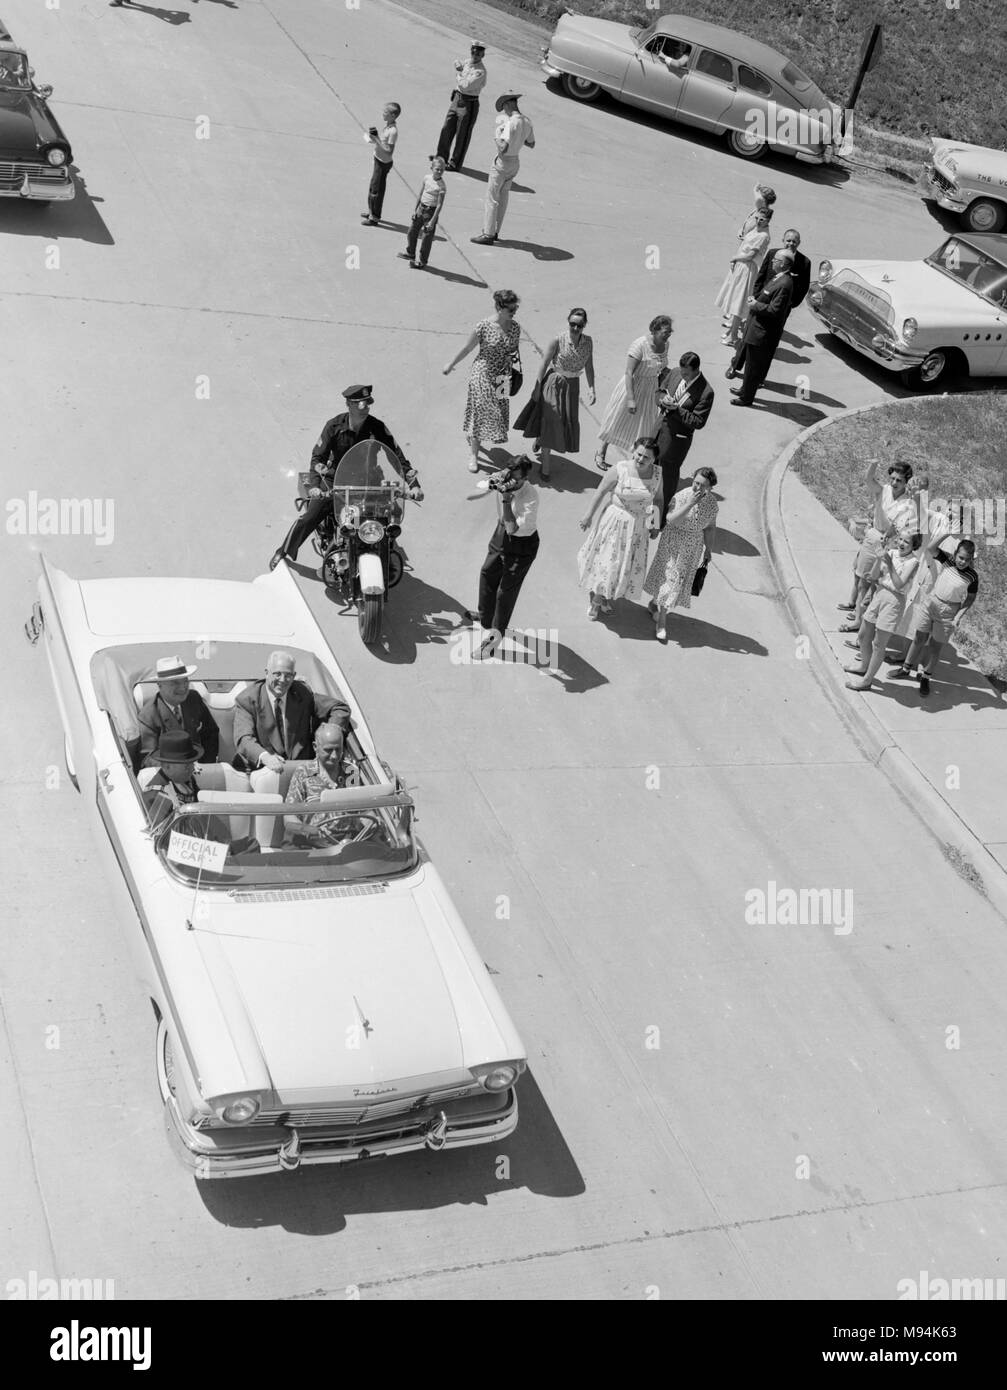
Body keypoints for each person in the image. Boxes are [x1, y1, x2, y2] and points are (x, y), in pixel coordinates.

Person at [269, 384, 420, 569]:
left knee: (386, 515)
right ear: (349, 404)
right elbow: (318, 457)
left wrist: (414, 485)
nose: (365, 407)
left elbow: (396, 455)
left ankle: (383, 554)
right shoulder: (334, 426)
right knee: (310, 516)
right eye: (360, 404)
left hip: (368, 480)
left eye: (367, 403)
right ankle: (283, 550)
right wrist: (316, 486)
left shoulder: (377, 427)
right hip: (336, 480)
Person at [577, 437, 662, 619]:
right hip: (616, 522)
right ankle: (597, 601)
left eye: (646, 457)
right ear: (633, 451)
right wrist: (588, 516)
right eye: (639, 454)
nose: (640, 459)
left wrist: (655, 523)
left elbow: (659, 499)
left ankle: (606, 595)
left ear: (654, 459)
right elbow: (600, 491)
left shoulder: (657, 474)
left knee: (624, 566)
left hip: (638, 527)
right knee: (609, 561)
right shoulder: (620, 468)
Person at [233, 651, 351, 774]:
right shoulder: (247, 699)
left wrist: (328, 735)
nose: (283, 680)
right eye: (277, 674)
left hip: (300, 771)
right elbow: (244, 739)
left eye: (288, 675)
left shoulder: (302, 692)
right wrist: (265, 757)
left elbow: (340, 709)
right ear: (267, 673)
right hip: (260, 771)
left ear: (294, 676)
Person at [142, 731, 258, 856]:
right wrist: (214, 852)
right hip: (188, 856)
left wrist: (220, 846)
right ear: (167, 766)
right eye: (186, 765)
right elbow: (162, 844)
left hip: (204, 844)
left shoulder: (187, 780)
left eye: (192, 763)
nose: (192, 768)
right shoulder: (156, 794)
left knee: (252, 845)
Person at [889, 537, 979, 696]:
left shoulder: (972, 576)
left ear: (972, 559)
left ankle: (925, 677)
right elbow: (931, 548)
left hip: (948, 611)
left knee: (935, 647)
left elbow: (970, 598)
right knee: (918, 638)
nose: (962, 561)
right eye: (960, 557)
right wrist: (945, 532)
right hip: (932, 602)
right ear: (955, 554)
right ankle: (905, 668)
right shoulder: (948, 561)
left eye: (967, 559)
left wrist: (958, 616)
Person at [443, 288, 521, 472]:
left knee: (498, 413)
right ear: (499, 308)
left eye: (515, 309)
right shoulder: (483, 326)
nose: (514, 312)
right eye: (511, 309)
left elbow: (513, 349)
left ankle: (474, 436)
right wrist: (451, 363)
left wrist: (509, 361)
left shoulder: (516, 327)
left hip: (502, 375)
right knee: (481, 411)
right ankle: (474, 455)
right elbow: (467, 348)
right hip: (483, 372)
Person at [470, 454, 539, 658]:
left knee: (504, 594)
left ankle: (492, 642)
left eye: (517, 479)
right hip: (501, 535)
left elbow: (512, 528)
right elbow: (473, 494)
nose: (512, 481)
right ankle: (486, 618)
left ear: (526, 478)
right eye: (511, 475)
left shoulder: (531, 497)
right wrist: (491, 483)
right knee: (487, 573)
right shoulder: (505, 478)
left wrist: (507, 500)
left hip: (521, 544)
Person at [516, 307, 595, 480]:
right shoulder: (558, 340)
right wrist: (536, 388)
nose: (575, 328)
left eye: (579, 325)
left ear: (584, 326)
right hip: (554, 383)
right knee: (552, 421)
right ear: (568, 322)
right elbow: (544, 363)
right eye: (572, 324)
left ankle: (539, 438)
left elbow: (589, 366)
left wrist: (592, 388)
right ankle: (545, 468)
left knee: (563, 422)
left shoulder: (588, 342)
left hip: (572, 386)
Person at [838, 460, 918, 632]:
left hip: (888, 544)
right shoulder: (884, 490)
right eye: (893, 478)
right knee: (861, 581)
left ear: (906, 482)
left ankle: (863, 623)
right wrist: (874, 464)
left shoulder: (908, 504)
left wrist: (887, 540)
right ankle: (858, 618)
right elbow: (868, 479)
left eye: (899, 480)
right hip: (873, 536)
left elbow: (899, 527)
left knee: (873, 585)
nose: (895, 483)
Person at [644, 467, 718, 642]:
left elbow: (710, 527)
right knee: (670, 578)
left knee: (676, 580)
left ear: (710, 488)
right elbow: (671, 519)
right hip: (673, 541)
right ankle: (662, 621)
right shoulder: (683, 496)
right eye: (696, 483)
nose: (697, 488)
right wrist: (690, 503)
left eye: (703, 486)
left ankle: (655, 604)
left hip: (693, 546)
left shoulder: (713, 504)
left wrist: (709, 549)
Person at [844, 532, 923, 690]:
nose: (901, 543)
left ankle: (867, 681)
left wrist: (889, 563)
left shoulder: (913, 561)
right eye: (900, 539)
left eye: (906, 541)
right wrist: (880, 558)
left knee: (879, 644)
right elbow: (872, 577)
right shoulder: (891, 553)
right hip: (880, 593)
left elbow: (900, 584)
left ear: (914, 545)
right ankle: (864, 667)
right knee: (863, 635)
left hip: (894, 600)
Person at [594, 315, 673, 471]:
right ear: (655, 330)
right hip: (633, 386)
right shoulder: (639, 345)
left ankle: (636, 460)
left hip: (650, 388)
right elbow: (629, 373)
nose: (668, 334)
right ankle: (601, 451)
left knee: (645, 425)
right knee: (618, 419)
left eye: (670, 331)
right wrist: (631, 399)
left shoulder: (666, 344)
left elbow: (661, 367)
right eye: (665, 332)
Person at [728, 228, 810, 379]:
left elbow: (803, 287)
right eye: (788, 240)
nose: (791, 243)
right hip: (759, 305)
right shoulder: (773, 254)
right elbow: (761, 276)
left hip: (779, 312)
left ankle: (759, 377)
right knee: (747, 338)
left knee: (770, 345)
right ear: (783, 241)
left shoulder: (804, 262)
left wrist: (790, 304)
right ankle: (735, 366)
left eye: (794, 241)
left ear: (799, 243)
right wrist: (755, 297)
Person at [729, 250, 794, 406]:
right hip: (755, 328)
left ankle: (746, 398)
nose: (772, 262)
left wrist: (755, 304)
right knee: (750, 366)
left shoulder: (784, 284)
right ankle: (745, 390)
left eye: (776, 260)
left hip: (762, 334)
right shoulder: (778, 277)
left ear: (783, 263)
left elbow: (774, 310)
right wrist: (756, 300)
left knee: (752, 368)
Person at [285, 724, 366, 848]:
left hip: (349, 843)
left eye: (338, 749)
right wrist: (309, 831)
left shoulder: (351, 772)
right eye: (328, 750)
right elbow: (289, 817)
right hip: (312, 842)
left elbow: (363, 809)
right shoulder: (303, 773)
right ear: (315, 747)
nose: (334, 756)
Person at [653, 351, 714, 516]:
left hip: (676, 441)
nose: (682, 375)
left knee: (667, 478)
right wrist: (662, 399)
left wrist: (677, 410)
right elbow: (659, 391)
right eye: (681, 372)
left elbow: (698, 421)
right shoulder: (674, 373)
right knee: (650, 469)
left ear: (696, 370)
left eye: (686, 373)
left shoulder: (706, 392)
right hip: (658, 430)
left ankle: (661, 515)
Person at [471, 93, 535, 245]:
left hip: (502, 163)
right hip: (515, 163)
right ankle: (496, 231)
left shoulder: (510, 123)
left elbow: (503, 149)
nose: (504, 112)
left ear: (508, 104)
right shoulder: (526, 121)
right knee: (504, 196)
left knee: (492, 198)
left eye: (504, 108)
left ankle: (488, 233)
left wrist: (497, 135)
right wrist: (517, 140)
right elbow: (531, 143)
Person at [138, 655, 219, 768]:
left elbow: (211, 733)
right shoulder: (148, 716)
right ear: (159, 685)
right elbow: (148, 758)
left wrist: (206, 766)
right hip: (171, 776)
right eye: (175, 683)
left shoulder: (193, 698)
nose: (183, 687)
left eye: (185, 681)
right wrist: (180, 768)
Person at [715, 210, 771, 346]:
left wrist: (734, 258)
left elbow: (750, 255)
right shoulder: (756, 229)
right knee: (735, 300)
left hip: (747, 269)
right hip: (740, 266)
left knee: (739, 304)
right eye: (757, 218)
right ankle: (731, 332)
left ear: (768, 220)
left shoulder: (763, 235)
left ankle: (733, 337)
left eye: (762, 219)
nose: (758, 221)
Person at [436, 41, 487, 171]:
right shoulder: (467, 63)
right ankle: (441, 158)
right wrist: (459, 67)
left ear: (483, 55)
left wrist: (459, 73)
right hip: (457, 98)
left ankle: (455, 163)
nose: (475, 56)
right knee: (447, 128)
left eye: (478, 54)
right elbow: (457, 63)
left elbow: (465, 85)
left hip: (469, 102)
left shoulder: (480, 71)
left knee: (462, 134)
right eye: (473, 52)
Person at [398, 155, 446, 269]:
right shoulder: (426, 178)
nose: (439, 172)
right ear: (432, 168)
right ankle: (410, 253)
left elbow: (439, 205)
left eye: (442, 170)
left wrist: (432, 221)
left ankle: (422, 261)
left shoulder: (442, 186)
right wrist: (415, 210)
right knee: (411, 232)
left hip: (431, 212)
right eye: (437, 169)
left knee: (426, 239)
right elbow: (420, 194)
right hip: (421, 209)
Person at [361, 102, 401, 226]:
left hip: (383, 163)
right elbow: (383, 144)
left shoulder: (393, 131)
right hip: (378, 160)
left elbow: (389, 151)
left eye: (386, 112)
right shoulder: (388, 127)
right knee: (373, 187)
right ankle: (371, 211)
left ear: (393, 115)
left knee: (376, 190)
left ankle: (374, 218)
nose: (383, 114)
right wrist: (374, 139)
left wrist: (377, 138)